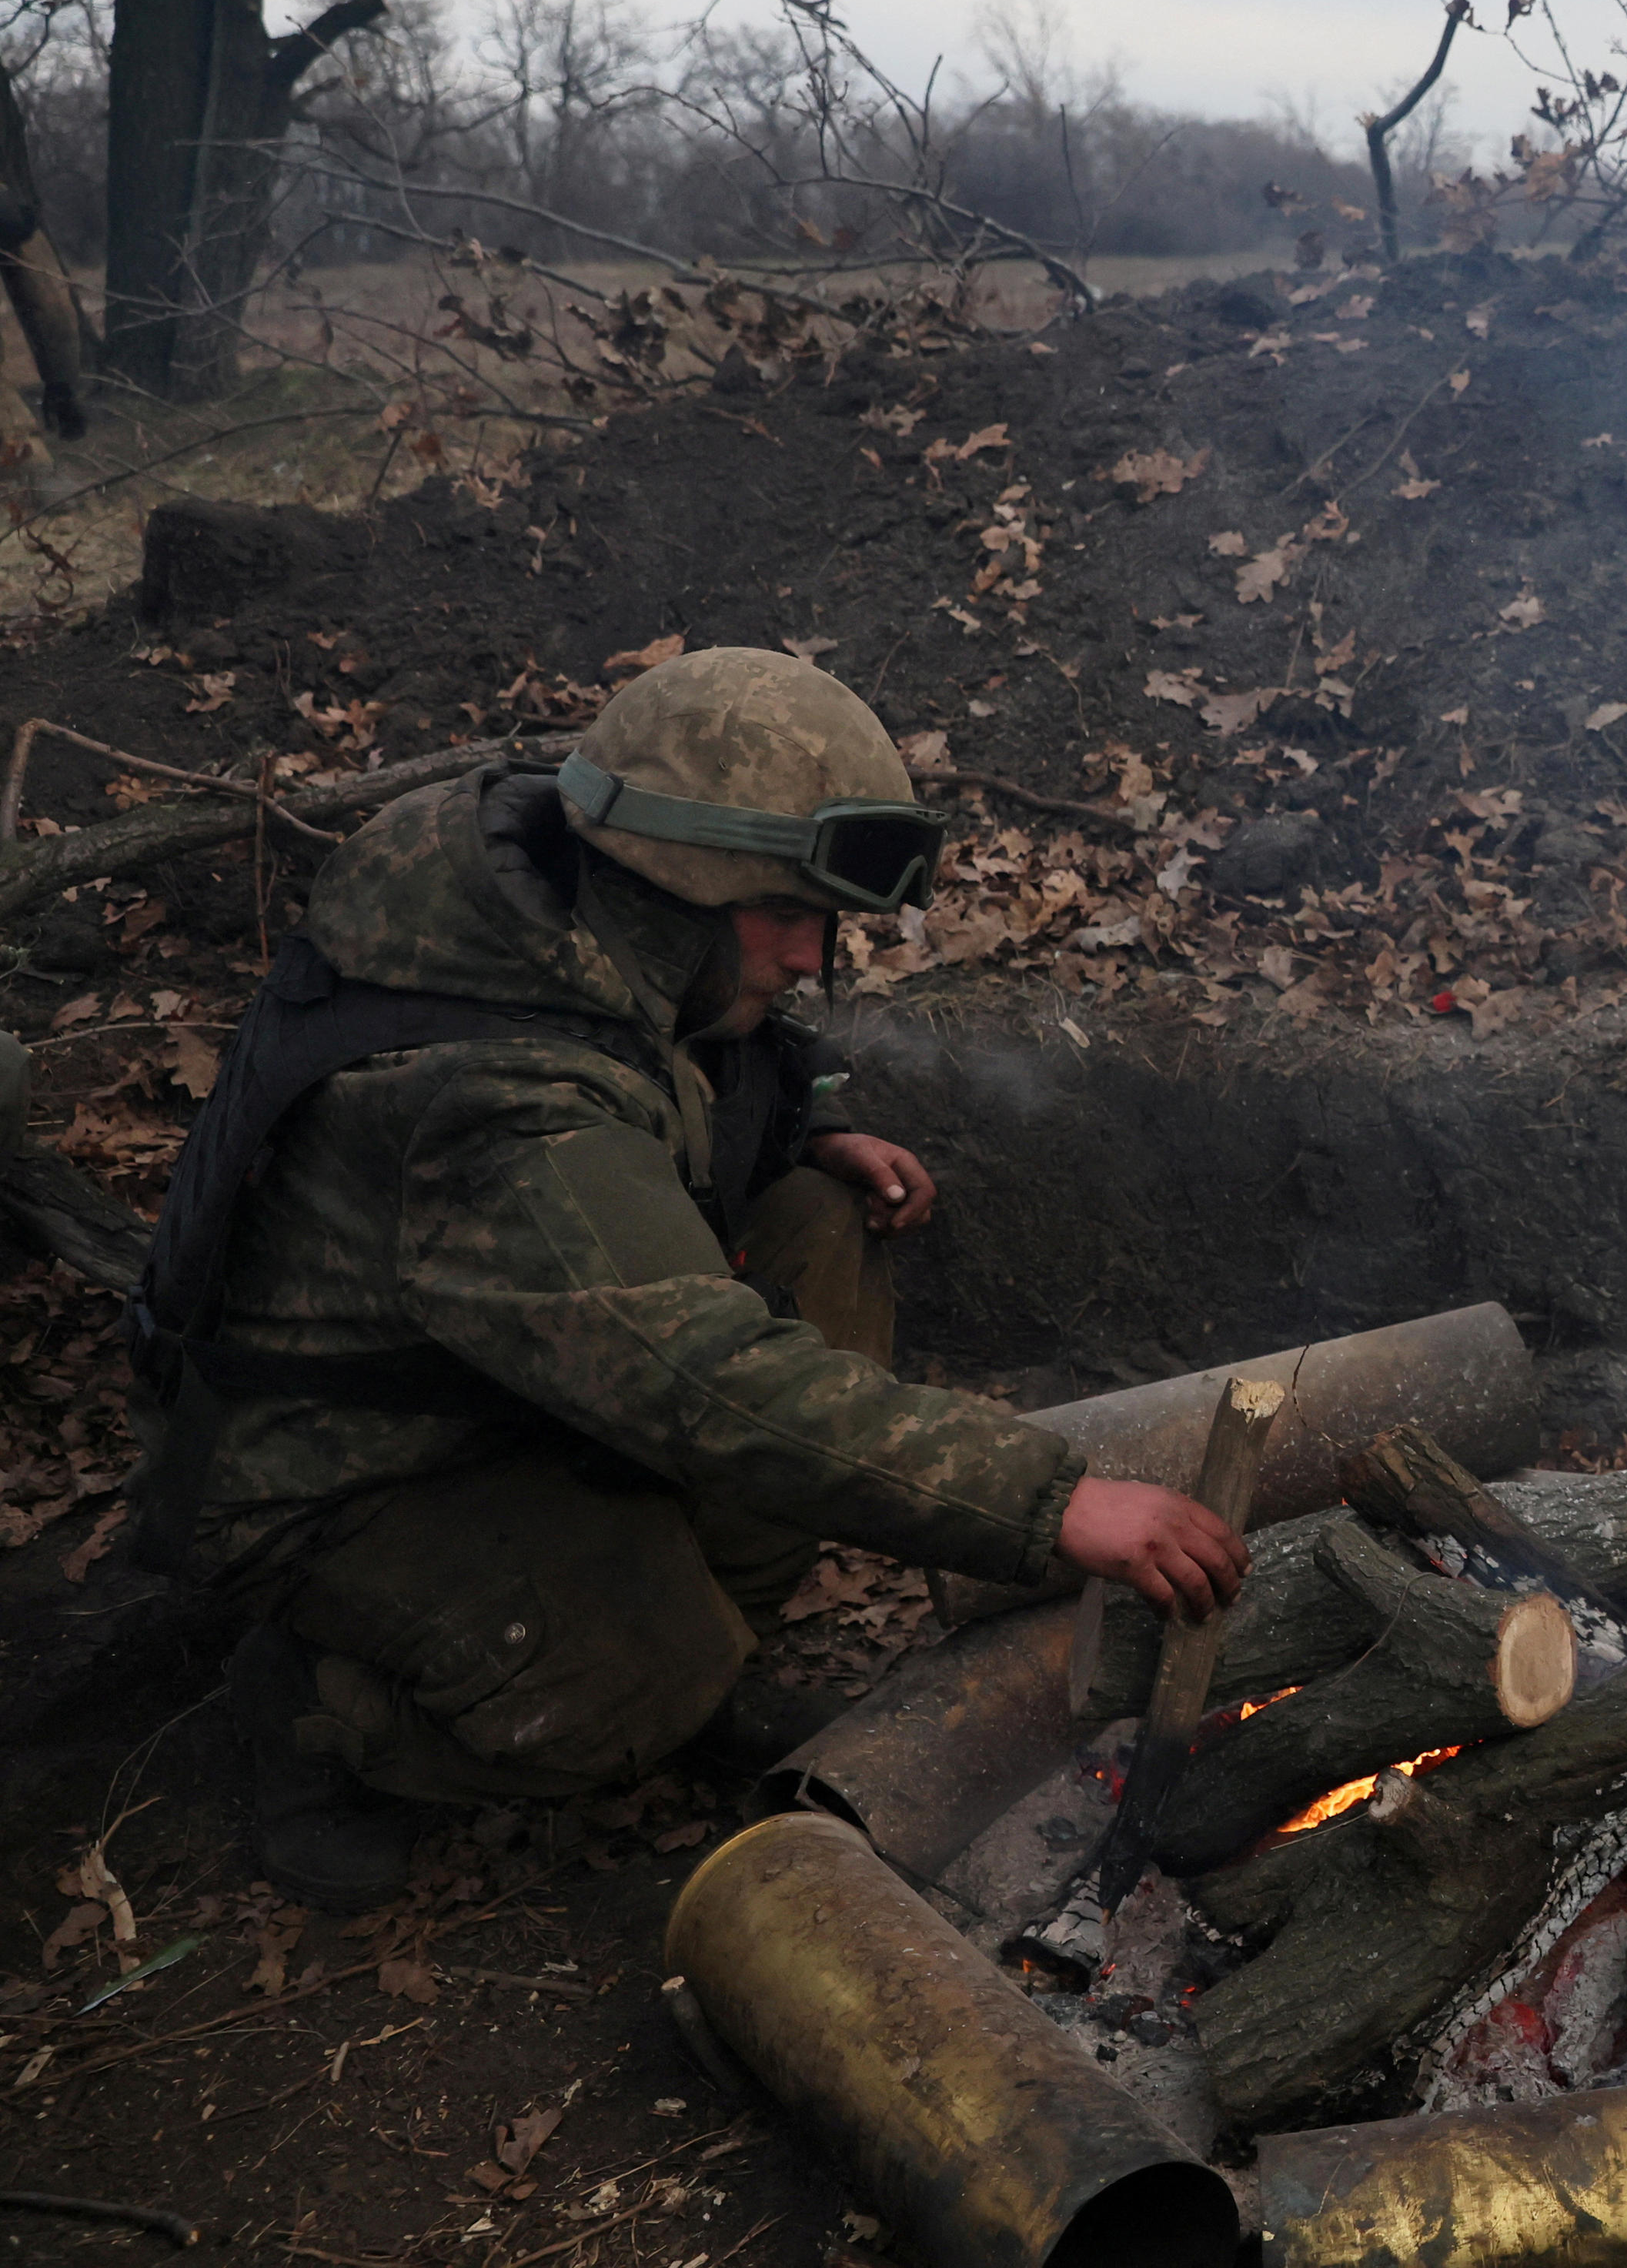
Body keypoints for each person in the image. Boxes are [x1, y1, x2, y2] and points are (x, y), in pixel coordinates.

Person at [125, 647, 1248, 1910]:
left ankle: (681, 1647)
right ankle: (327, 1719)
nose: (818, 953)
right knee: (646, 1677)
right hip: (330, 1468)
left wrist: (804, 1124)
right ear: (684, 886)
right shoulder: (495, 1107)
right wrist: (1054, 1503)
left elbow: (685, 1048)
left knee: (826, 1223)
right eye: (792, 914)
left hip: (491, 1373)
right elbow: (711, 1385)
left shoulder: (571, 897)